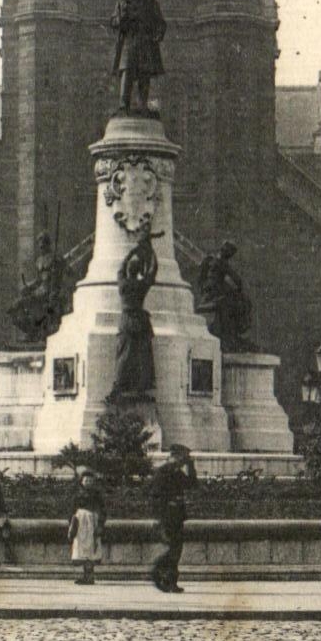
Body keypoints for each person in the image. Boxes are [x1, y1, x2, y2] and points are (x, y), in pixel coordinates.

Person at [111, 216, 159, 397]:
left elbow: (121, 267)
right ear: (138, 270)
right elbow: (152, 271)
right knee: (143, 356)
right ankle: (141, 388)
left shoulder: (122, 284)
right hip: (140, 321)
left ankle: (118, 387)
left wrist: (132, 252)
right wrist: (150, 250)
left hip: (126, 320)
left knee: (124, 354)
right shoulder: (140, 286)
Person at [110, 0, 166, 113]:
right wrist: (120, 20)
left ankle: (143, 105)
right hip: (129, 41)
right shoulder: (123, 2)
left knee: (144, 74)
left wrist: (158, 34)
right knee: (127, 72)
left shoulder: (151, 3)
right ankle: (123, 106)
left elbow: (161, 23)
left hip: (145, 42)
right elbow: (113, 21)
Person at [149, 442, 197, 594]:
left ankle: (170, 581)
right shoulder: (163, 472)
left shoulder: (177, 472)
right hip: (167, 516)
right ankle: (159, 571)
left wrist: (191, 466)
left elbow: (192, 484)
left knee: (177, 548)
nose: (185, 460)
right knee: (174, 548)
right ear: (175, 456)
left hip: (177, 515)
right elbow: (155, 496)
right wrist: (159, 517)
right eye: (184, 457)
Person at [195, 240, 253, 351]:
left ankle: (233, 331)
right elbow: (236, 279)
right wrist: (239, 288)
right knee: (241, 300)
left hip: (209, 291)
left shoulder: (211, 260)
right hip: (215, 291)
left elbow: (202, 277)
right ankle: (234, 331)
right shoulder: (222, 263)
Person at [67, 470, 106, 585]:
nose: (88, 482)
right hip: (80, 523)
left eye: (90, 480)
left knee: (91, 548)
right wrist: (71, 523)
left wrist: (100, 524)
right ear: (81, 481)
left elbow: (103, 510)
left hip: (92, 523)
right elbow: (72, 509)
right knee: (82, 548)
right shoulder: (77, 495)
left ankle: (90, 576)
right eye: (86, 480)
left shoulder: (97, 495)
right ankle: (86, 575)